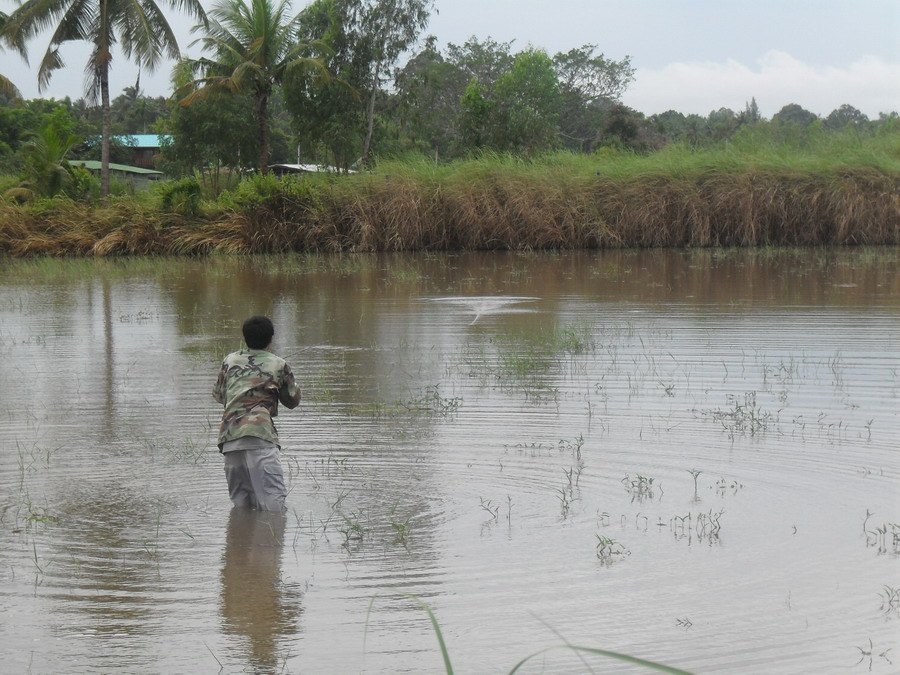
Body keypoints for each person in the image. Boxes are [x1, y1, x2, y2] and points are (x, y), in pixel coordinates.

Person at [213, 316, 301, 511]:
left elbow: (219, 396)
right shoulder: (279, 364)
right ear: (271, 339)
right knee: (274, 506)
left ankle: (240, 540)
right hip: (260, 436)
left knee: (241, 506)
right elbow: (292, 401)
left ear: (245, 338)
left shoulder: (229, 360)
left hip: (229, 439)